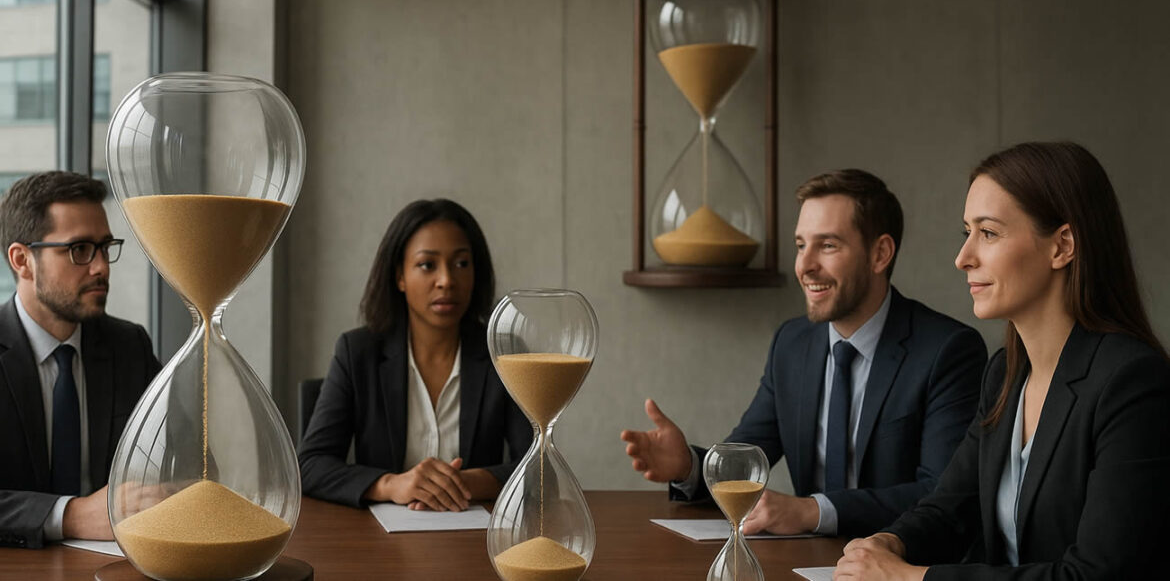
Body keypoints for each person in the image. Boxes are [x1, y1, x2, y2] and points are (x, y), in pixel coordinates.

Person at [835, 142, 1170, 579]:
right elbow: (952, 506)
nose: (963, 258)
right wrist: (888, 543)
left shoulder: (1133, 382)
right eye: (966, 232)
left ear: (1062, 246)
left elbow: (1094, 575)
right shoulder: (1005, 373)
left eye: (988, 233)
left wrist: (909, 577)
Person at [621, 169, 987, 537]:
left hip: (901, 564)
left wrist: (812, 512)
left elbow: (942, 495)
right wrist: (688, 465)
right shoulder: (791, 344)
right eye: (800, 245)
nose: (805, 265)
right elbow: (748, 457)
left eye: (827, 246)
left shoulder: (948, 351)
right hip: (802, 561)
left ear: (880, 254)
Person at [299, 198, 531, 510]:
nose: (447, 280)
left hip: (477, 540)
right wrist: (391, 484)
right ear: (400, 277)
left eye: (462, 263)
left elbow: (539, 466)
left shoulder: (503, 352)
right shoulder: (358, 352)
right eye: (427, 265)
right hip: (380, 544)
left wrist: (459, 484)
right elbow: (310, 465)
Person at [0, 172, 160, 549]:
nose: (101, 267)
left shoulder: (129, 346)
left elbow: (185, 457)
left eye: (105, 247)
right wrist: (71, 515)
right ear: (23, 260)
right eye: (80, 250)